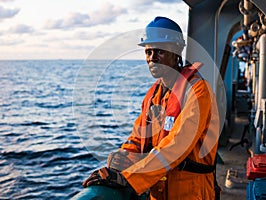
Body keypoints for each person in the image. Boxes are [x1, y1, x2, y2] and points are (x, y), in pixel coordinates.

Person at [81, 16, 220, 200]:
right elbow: (139, 138)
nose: (152, 58)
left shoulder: (198, 91)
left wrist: (130, 178)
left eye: (159, 51)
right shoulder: (154, 94)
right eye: (148, 52)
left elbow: (178, 144)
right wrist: (120, 161)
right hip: (159, 190)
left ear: (177, 51)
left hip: (191, 191)